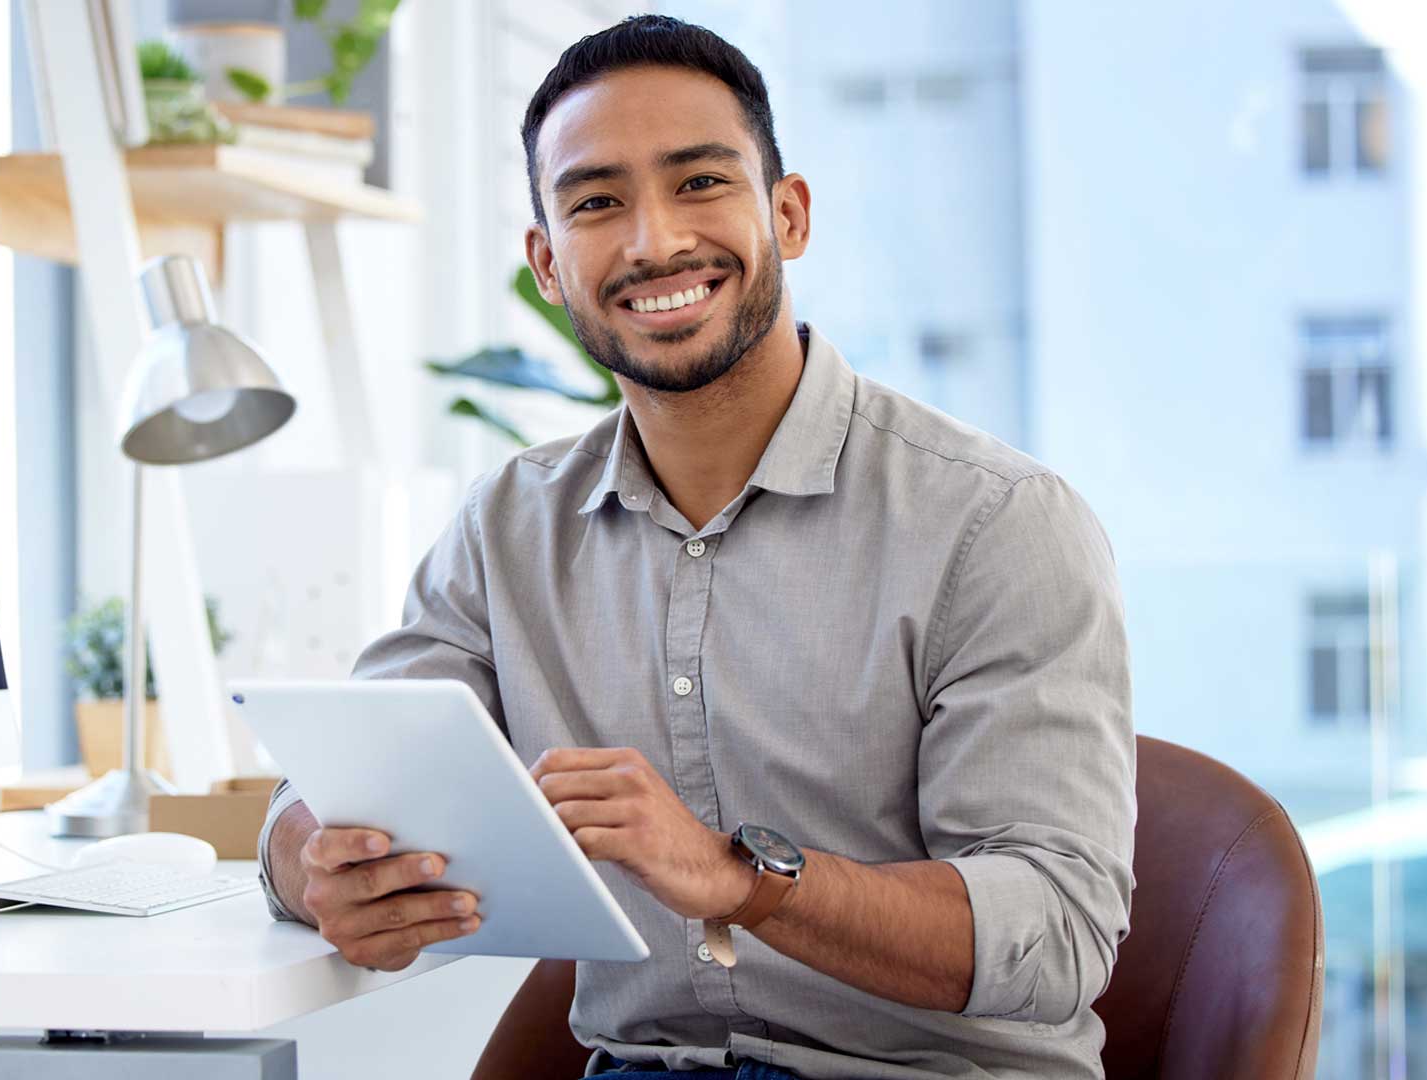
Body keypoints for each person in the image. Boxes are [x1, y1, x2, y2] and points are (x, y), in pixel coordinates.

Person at [258, 15, 1135, 1079]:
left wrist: (739, 876)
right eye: (596, 203)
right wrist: (310, 861)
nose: (654, 243)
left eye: (701, 183)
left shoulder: (995, 522)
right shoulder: (506, 530)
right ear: (547, 263)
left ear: (789, 213)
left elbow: (1058, 932)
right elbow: (341, 784)